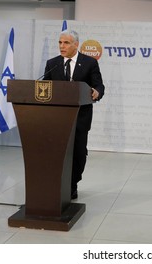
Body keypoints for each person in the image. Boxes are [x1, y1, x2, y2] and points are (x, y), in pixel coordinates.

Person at [43, 30, 105, 199]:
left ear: (76, 44)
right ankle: (59, 184)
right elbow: (44, 86)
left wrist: (96, 92)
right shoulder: (52, 63)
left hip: (80, 119)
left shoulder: (89, 63)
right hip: (58, 119)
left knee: (78, 154)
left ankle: (73, 183)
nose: (62, 46)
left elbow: (99, 86)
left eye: (66, 43)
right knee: (58, 153)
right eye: (60, 42)